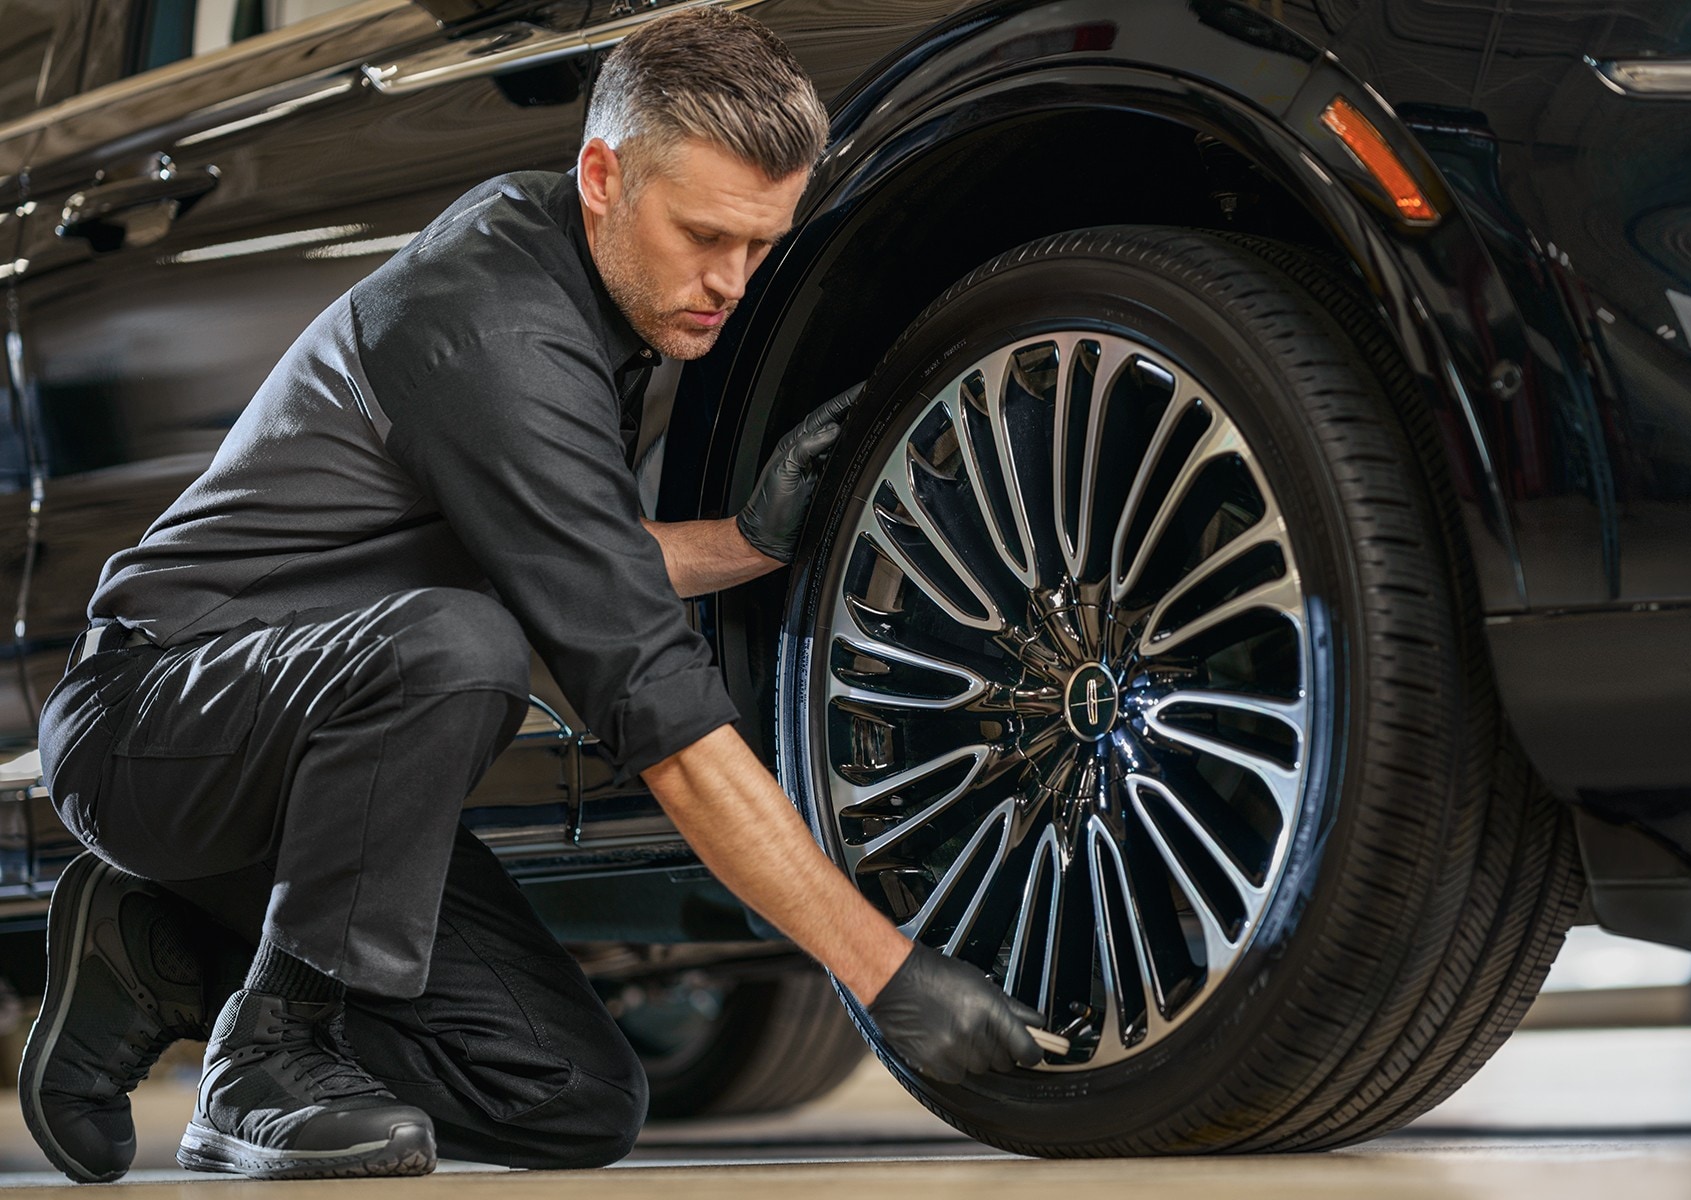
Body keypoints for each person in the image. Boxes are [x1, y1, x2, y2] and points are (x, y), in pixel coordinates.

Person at [19, 8, 1042, 1184]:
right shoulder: (489, 324)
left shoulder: (588, 283)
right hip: (153, 718)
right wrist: (883, 970)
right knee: (464, 646)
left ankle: (162, 951)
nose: (731, 282)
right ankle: (266, 1061)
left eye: (761, 245)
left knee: (572, 1104)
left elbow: (572, 556)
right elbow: (660, 714)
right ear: (602, 176)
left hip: (323, 752)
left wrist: (749, 542)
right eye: (705, 234)